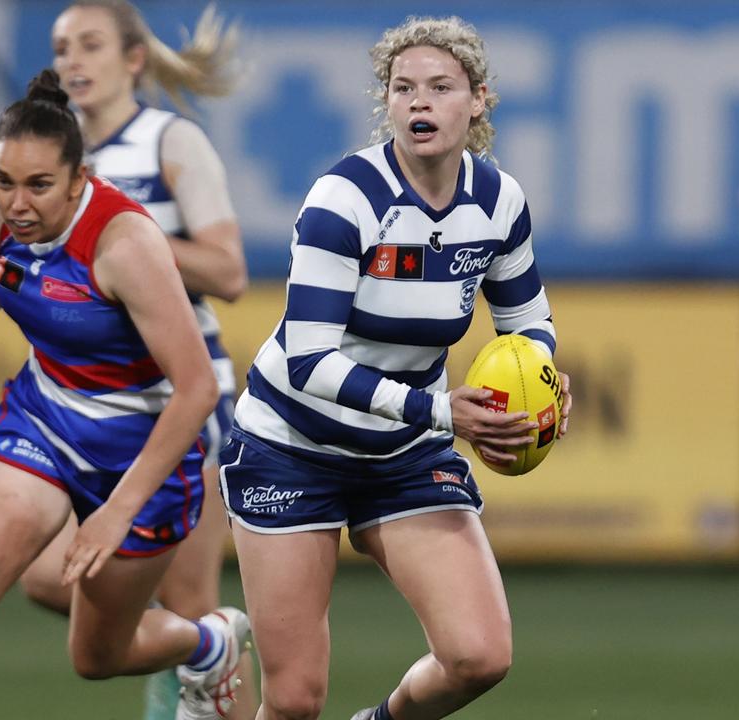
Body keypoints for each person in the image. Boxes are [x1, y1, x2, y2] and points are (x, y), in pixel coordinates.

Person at [0, 69, 249, 720]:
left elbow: (198, 388)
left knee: (96, 658)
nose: (18, 204)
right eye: (4, 183)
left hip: (140, 457)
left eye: (39, 186)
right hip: (42, 426)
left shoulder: (127, 246)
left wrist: (117, 511)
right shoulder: (11, 222)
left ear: (79, 179)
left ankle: (206, 643)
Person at [218, 16, 572, 720]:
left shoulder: (498, 201)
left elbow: (528, 323)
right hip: (294, 446)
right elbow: (310, 357)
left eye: (441, 87)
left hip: (401, 452)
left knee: (479, 656)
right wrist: (441, 413)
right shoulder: (343, 200)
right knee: (292, 703)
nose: (419, 102)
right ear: (387, 103)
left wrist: (548, 380)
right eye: (403, 87)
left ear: (478, 101)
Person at [16, 3, 256, 717]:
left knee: (190, 603)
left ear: (133, 60)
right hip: (97, 408)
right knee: (47, 576)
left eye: (91, 45)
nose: (73, 61)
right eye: (62, 48)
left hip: (186, 400)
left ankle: (202, 670)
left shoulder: (169, 142)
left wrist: (117, 232)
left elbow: (230, 270)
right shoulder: (54, 160)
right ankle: (200, 659)